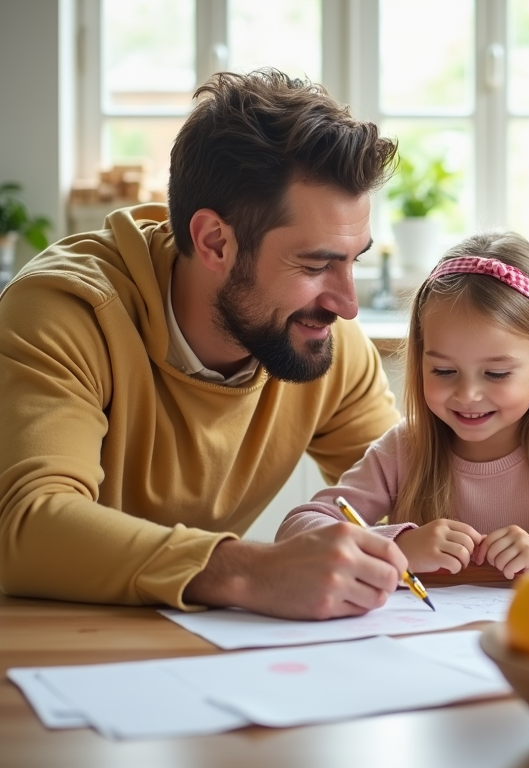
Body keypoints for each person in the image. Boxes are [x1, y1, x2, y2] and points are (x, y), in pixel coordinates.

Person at [0, 69, 412, 620]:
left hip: (194, 653)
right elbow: (29, 525)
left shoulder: (324, 344)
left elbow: (411, 499)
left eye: (353, 260)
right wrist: (250, 569)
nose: (346, 302)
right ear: (215, 241)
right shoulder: (65, 313)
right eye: (316, 265)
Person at [277, 231, 529, 581]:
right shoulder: (404, 449)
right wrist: (397, 549)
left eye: (496, 374)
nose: (467, 395)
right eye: (444, 371)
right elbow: (299, 527)